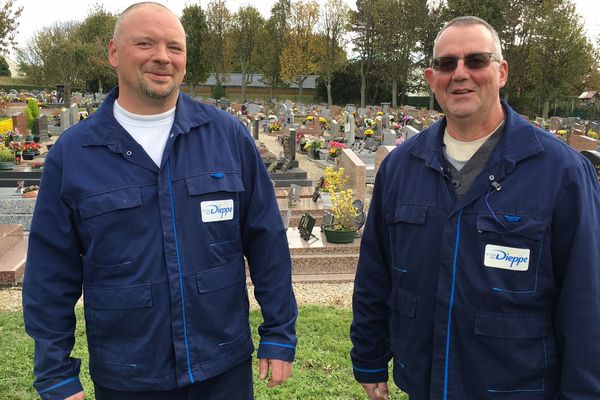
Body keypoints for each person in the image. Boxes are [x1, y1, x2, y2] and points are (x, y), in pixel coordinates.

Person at [23, 3, 297, 399]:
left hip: (222, 368)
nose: (162, 57)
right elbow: (51, 272)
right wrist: (55, 374)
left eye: (175, 47)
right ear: (114, 53)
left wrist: (278, 334)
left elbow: (267, 242)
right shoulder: (75, 154)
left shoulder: (227, 138)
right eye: (145, 43)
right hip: (129, 376)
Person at [350, 15, 600, 400]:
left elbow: (586, 301)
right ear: (432, 79)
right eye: (447, 64)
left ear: (501, 72)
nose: (460, 74)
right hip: (424, 385)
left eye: (476, 61)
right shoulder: (401, 168)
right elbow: (375, 273)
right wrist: (368, 356)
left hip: (517, 389)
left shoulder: (562, 172)